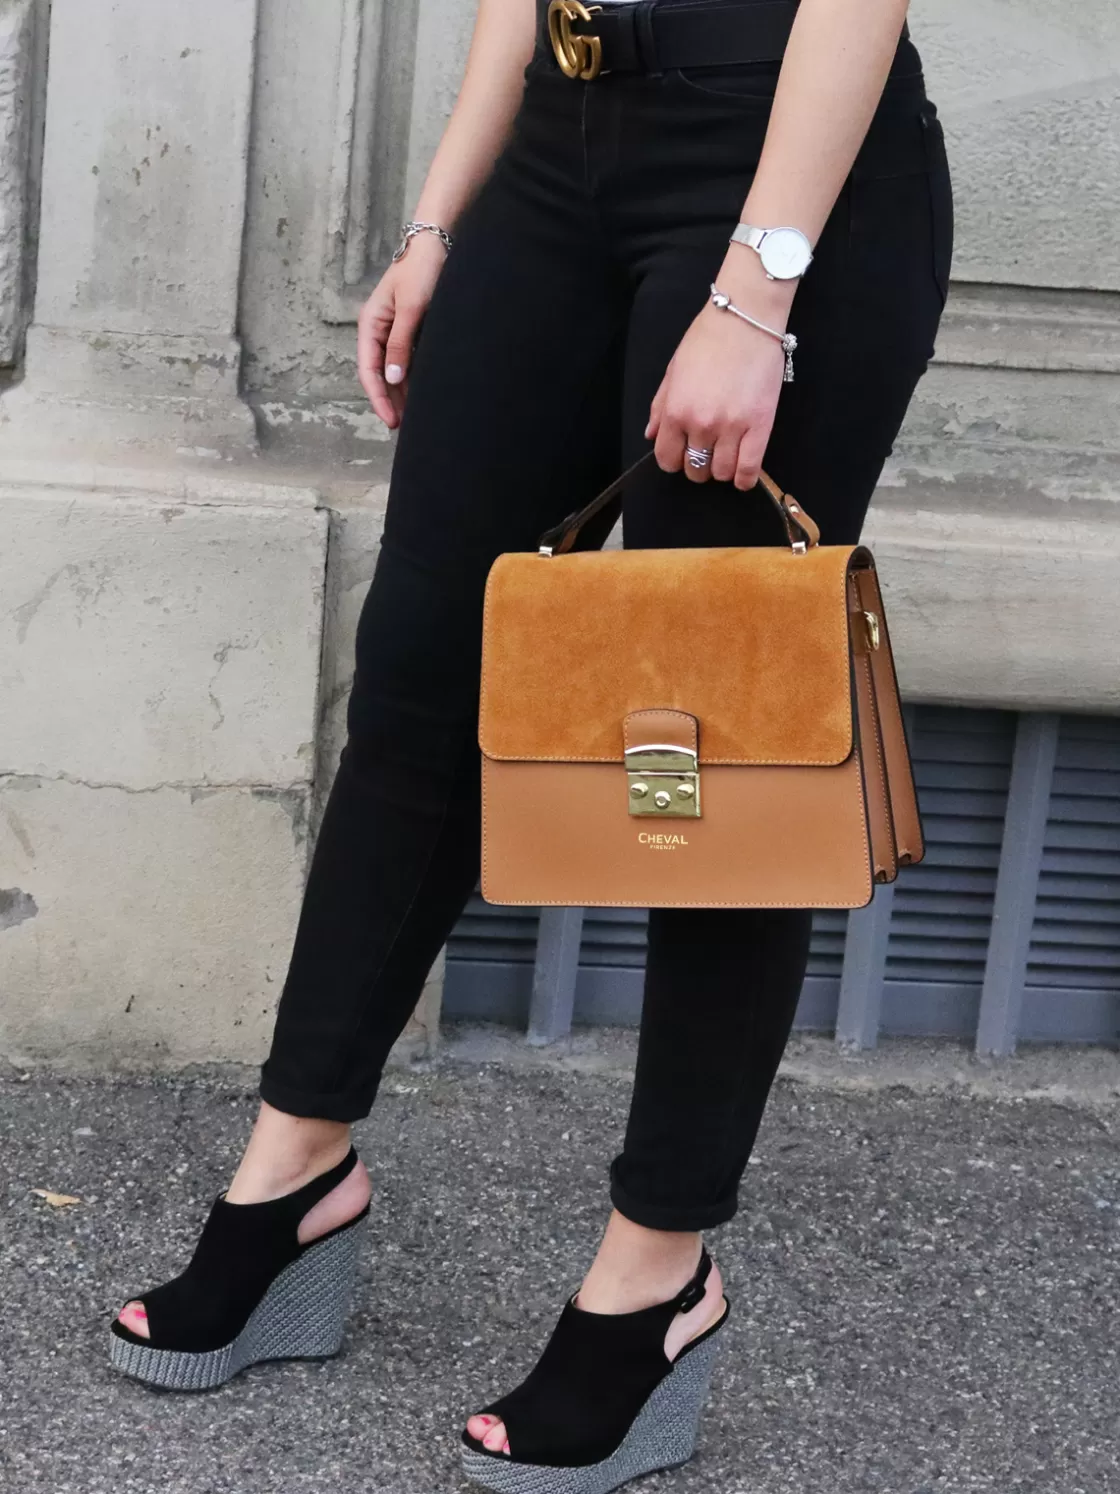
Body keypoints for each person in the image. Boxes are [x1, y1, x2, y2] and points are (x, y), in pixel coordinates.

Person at [109, 1, 952, 1488]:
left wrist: (758, 286)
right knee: (421, 677)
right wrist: (439, 225)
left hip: (774, 150)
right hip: (558, 149)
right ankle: (295, 1171)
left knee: (715, 754)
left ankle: (655, 1278)